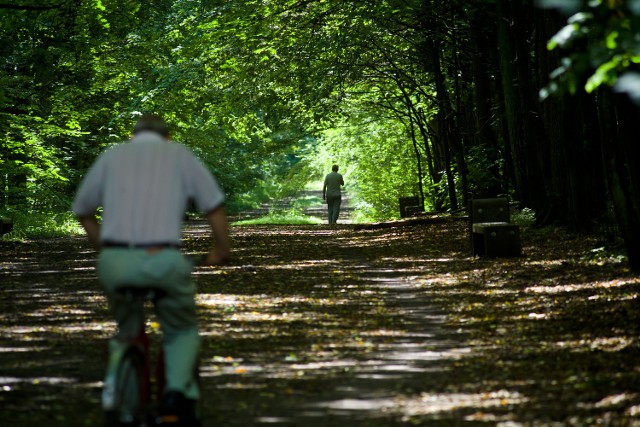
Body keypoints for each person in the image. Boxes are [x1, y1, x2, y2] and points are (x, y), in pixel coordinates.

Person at [72, 113, 230, 424]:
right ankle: (175, 392)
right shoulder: (179, 155)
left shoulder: (112, 156)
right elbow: (214, 206)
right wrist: (222, 249)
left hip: (115, 260)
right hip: (163, 258)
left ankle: (125, 400)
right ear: (167, 136)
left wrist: (103, 246)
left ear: (133, 135)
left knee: (128, 329)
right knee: (180, 328)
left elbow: (82, 209)